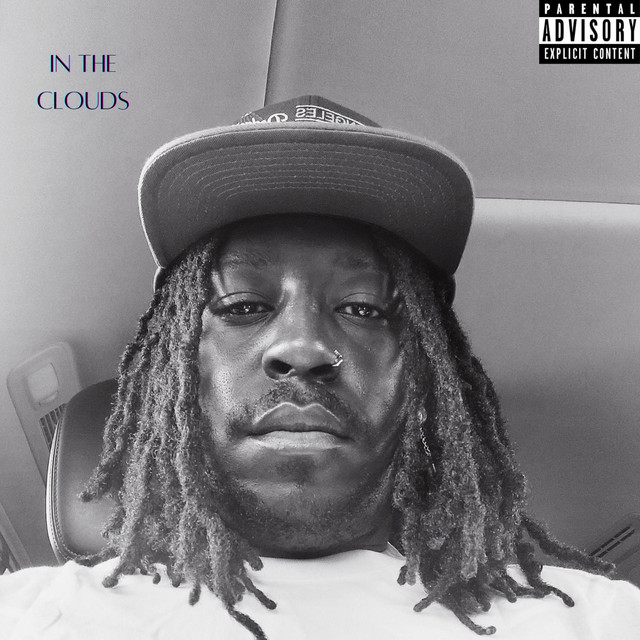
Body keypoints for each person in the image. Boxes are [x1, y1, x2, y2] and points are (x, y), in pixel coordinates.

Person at [1, 96, 640, 639]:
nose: (302, 347)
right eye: (243, 305)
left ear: (421, 384)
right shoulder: (36, 617)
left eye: (362, 308)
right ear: (178, 378)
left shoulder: (596, 622)